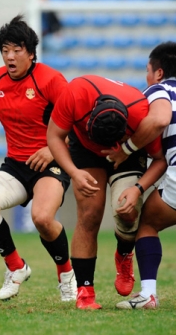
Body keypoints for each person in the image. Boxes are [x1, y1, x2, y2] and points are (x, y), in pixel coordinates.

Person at [0, 15, 76, 303]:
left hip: (51, 163)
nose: (10, 57)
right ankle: (16, 267)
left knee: (41, 218)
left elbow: (78, 121)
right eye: (5, 50)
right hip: (15, 164)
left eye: (17, 50)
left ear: (31, 53)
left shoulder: (50, 80)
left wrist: (53, 149)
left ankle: (66, 276)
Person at [47, 74, 164, 310]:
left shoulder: (140, 114)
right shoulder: (76, 93)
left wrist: (138, 188)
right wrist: (74, 172)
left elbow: (160, 160)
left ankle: (124, 253)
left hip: (129, 151)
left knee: (127, 212)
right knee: (89, 214)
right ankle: (85, 292)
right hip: (84, 149)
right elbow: (54, 136)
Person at [115, 42, 176, 310]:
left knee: (147, 224)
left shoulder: (158, 90)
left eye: (147, 71)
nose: (147, 77)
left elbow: (161, 119)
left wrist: (127, 148)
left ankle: (148, 294)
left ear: (159, 73)